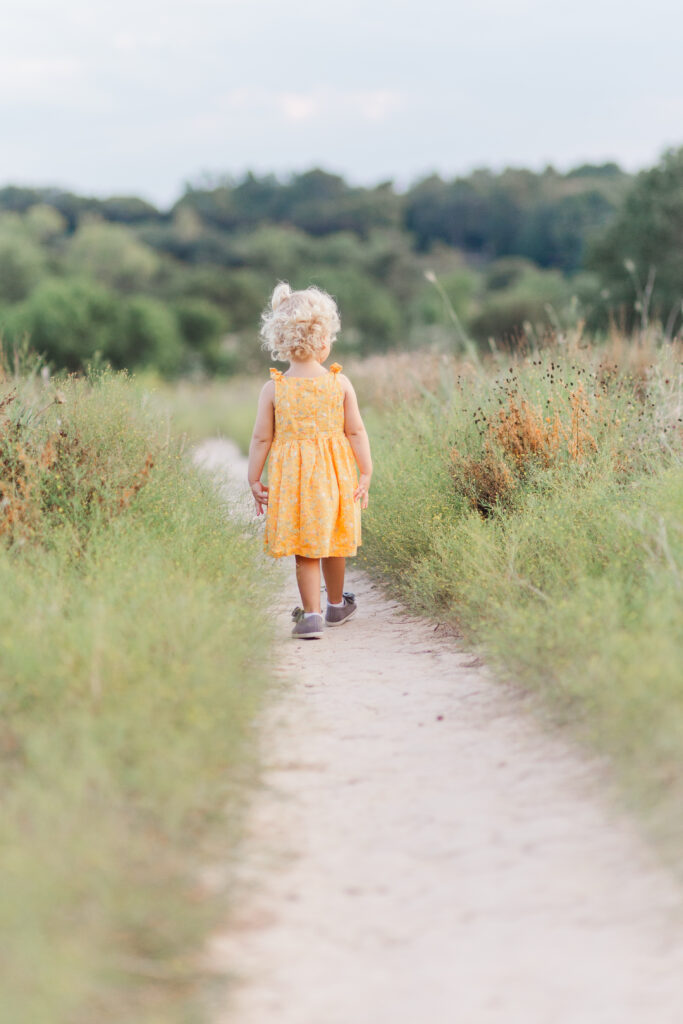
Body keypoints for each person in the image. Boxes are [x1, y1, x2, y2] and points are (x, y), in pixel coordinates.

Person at [247, 282, 372, 639]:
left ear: (281, 341)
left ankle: (311, 616)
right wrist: (366, 471)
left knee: (305, 549)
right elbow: (356, 432)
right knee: (333, 541)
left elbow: (261, 438)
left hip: (295, 482)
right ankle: (336, 605)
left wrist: (254, 479)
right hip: (335, 477)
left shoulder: (274, 388)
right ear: (323, 340)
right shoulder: (339, 383)